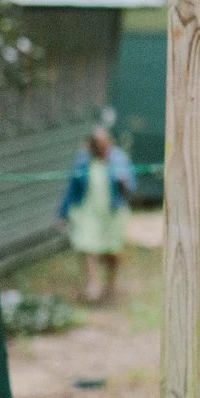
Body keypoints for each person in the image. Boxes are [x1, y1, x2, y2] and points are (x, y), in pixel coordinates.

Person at [57, 126, 135, 304]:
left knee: (112, 251)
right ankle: (93, 284)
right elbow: (71, 188)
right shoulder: (83, 161)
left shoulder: (118, 159)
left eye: (102, 145)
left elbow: (130, 187)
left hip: (112, 213)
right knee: (87, 245)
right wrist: (62, 213)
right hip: (88, 211)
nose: (99, 149)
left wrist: (123, 182)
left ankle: (111, 284)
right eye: (95, 145)